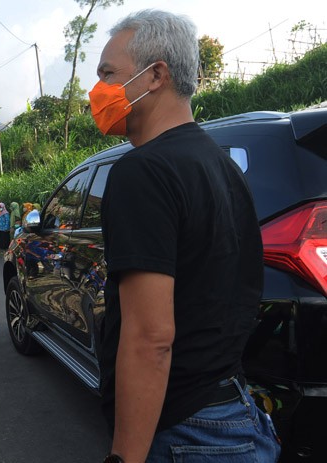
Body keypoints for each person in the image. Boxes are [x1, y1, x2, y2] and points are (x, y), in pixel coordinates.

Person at [93, 10, 279, 462]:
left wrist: (125, 457)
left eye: (108, 75)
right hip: (235, 412)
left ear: (155, 74)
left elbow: (150, 338)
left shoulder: (143, 171)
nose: (97, 92)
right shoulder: (224, 168)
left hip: (186, 432)